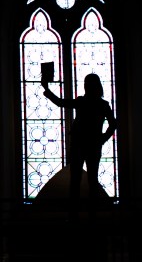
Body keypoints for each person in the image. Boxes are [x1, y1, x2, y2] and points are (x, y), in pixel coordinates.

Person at [41, 73, 117, 218]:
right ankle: (92, 215)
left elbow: (60, 102)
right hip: (94, 145)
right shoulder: (103, 104)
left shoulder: (82, 102)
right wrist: (102, 138)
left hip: (78, 144)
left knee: (75, 179)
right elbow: (113, 124)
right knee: (92, 180)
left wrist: (47, 89)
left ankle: (74, 214)